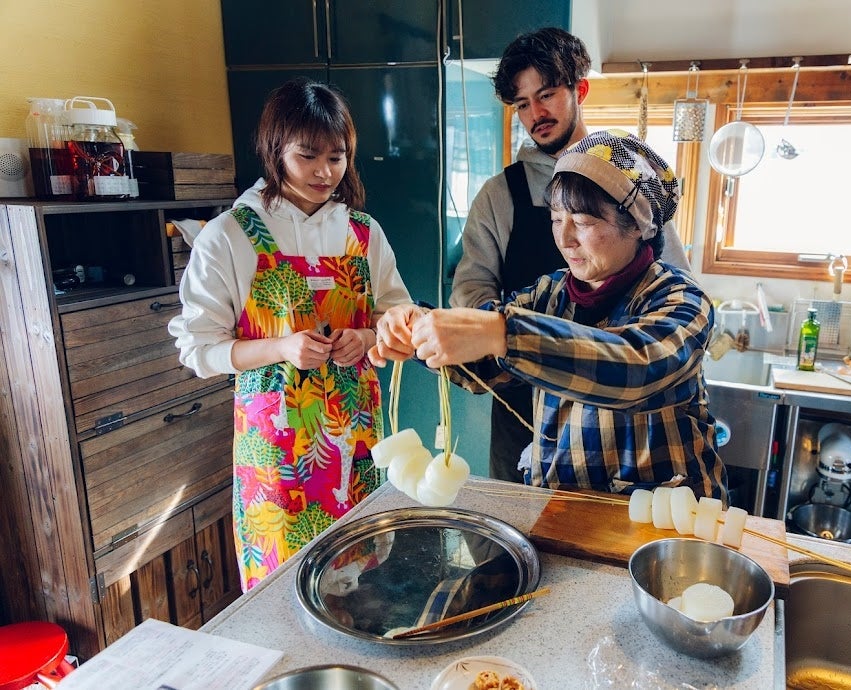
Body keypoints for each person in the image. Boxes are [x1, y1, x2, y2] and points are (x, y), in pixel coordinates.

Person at [372, 130, 726, 501]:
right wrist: (419, 329)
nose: (565, 238)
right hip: (562, 509)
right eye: (556, 219)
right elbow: (485, 367)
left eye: (583, 221)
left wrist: (502, 332)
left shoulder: (681, 298)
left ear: (638, 225)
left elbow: (635, 367)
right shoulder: (550, 293)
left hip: (663, 515)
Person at [168, 77, 412, 590]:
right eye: (308, 156)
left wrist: (368, 338)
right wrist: (282, 347)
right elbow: (198, 348)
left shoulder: (363, 233)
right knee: (284, 582)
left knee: (362, 577)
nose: (325, 172)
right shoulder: (231, 235)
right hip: (278, 452)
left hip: (355, 440)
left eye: (337, 157)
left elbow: (398, 315)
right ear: (274, 149)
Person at [450, 27, 692, 484]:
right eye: (522, 104)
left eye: (546, 95)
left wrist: (508, 335)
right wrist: (420, 330)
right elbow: (472, 295)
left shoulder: (629, 185)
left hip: (629, 428)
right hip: (523, 403)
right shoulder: (507, 211)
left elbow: (650, 348)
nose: (535, 114)